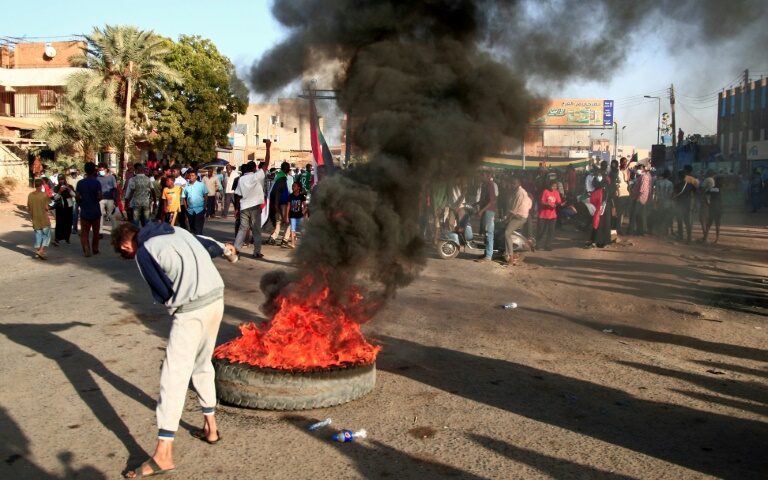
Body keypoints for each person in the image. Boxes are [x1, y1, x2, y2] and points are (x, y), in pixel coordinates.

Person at [110, 221, 237, 479]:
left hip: (192, 310)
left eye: (126, 252)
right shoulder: (175, 230)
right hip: (217, 298)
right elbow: (210, 245)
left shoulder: (144, 251)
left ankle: (163, 454)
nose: (130, 255)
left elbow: (164, 292)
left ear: (126, 244)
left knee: (173, 377)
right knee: (202, 365)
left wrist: (177, 304)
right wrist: (228, 251)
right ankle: (210, 428)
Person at [234, 161, 267, 259]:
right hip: (255, 206)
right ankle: (256, 252)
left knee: (242, 229)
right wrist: (268, 148)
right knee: (256, 230)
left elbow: (238, 195)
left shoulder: (241, 179)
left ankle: (236, 250)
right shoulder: (256, 176)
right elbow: (266, 164)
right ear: (254, 169)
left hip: (244, 206)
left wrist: (237, 208)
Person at [502, 177, 532, 264]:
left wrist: (507, 219)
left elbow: (514, 210)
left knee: (507, 233)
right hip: (522, 215)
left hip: (519, 217)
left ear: (519, 184)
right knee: (508, 231)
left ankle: (510, 256)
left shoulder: (519, 193)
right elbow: (530, 203)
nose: (512, 185)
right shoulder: (522, 192)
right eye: (512, 183)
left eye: (514, 184)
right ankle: (509, 253)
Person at [75, 162, 102, 257]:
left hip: (85, 210)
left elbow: (77, 196)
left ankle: (86, 247)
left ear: (85, 170)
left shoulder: (80, 183)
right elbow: (99, 196)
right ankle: (95, 248)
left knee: (84, 232)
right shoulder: (97, 183)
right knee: (96, 232)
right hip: (95, 210)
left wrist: (80, 203)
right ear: (94, 171)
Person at [267, 162, 294, 246]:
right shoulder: (282, 178)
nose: (289, 169)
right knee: (288, 221)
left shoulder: (278, 176)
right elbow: (277, 192)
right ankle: (285, 239)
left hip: (278, 203)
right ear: (286, 169)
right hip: (282, 203)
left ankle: (273, 237)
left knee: (278, 221)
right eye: (288, 167)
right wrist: (276, 205)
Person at [475, 171, 498, 262]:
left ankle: (488, 256)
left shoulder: (491, 185)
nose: (481, 177)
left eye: (483, 176)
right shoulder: (485, 185)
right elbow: (484, 200)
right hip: (486, 211)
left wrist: (481, 211)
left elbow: (491, 201)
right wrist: (475, 204)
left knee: (489, 232)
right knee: (485, 232)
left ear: (488, 176)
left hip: (489, 211)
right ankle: (486, 253)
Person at [28, 178, 52, 260]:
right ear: (41, 185)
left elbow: (29, 208)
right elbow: (47, 207)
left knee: (38, 235)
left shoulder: (30, 195)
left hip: (35, 218)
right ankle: (41, 251)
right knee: (46, 235)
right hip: (44, 218)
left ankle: (38, 251)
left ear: (35, 185)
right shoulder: (44, 195)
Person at [537, 178, 562, 251]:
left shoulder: (556, 192)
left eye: (555, 186)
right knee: (541, 230)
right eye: (553, 186)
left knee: (551, 231)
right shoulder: (545, 191)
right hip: (543, 215)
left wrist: (557, 204)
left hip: (552, 215)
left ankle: (547, 245)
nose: (554, 187)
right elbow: (541, 202)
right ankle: (538, 244)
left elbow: (558, 202)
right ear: (549, 185)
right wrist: (547, 204)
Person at [628, 164, 651, 236]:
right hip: (638, 198)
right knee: (639, 215)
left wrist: (638, 198)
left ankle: (631, 231)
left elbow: (642, 189)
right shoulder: (641, 177)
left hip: (640, 198)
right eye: (638, 168)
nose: (638, 170)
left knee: (634, 215)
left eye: (639, 168)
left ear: (643, 169)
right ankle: (639, 231)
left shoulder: (644, 177)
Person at [672, 170, 694, 244]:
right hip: (687, 205)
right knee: (687, 222)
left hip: (679, 205)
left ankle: (681, 236)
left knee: (679, 221)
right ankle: (689, 238)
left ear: (678, 177)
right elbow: (695, 193)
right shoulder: (690, 185)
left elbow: (673, 195)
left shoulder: (677, 185)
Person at [52, 174, 75, 245]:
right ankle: (57, 238)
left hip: (69, 206)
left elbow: (74, 195)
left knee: (68, 222)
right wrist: (60, 191)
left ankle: (67, 238)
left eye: (62, 179)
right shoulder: (56, 187)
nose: (61, 181)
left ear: (65, 179)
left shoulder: (70, 186)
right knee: (59, 223)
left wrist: (69, 189)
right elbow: (55, 198)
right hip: (60, 207)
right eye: (60, 180)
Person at [96, 163, 118, 237]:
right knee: (100, 215)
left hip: (110, 199)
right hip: (100, 199)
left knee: (111, 215)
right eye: (99, 170)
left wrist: (116, 200)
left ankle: (115, 232)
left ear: (106, 169)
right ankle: (100, 232)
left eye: (101, 169)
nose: (100, 171)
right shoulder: (98, 177)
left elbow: (115, 189)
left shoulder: (112, 177)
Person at [652, 170, 674, 237]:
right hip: (667, 202)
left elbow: (656, 193)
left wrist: (655, 202)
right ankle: (665, 232)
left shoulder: (658, 182)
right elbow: (671, 194)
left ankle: (659, 231)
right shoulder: (670, 183)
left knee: (659, 216)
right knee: (666, 216)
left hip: (659, 201)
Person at [286, 181, 306, 249]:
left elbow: (305, 206)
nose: (293, 187)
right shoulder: (290, 196)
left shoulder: (301, 196)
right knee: (292, 230)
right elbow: (288, 206)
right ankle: (293, 244)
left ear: (298, 188)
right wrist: (286, 217)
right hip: (292, 216)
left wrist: (303, 212)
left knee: (302, 230)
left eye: (294, 186)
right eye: (292, 186)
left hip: (300, 216)